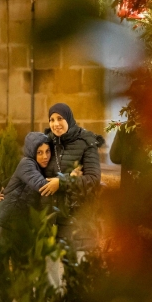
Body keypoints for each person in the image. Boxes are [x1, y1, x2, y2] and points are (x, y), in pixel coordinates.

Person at [40, 103, 104, 251]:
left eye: (60, 118)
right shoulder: (46, 142)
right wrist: (3, 187)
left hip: (77, 222)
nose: (55, 124)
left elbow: (93, 179)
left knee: (75, 268)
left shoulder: (86, 142)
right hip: (50, 220)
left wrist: (62, 182)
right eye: (52, 119)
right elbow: (30, 168)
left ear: (68, 118)